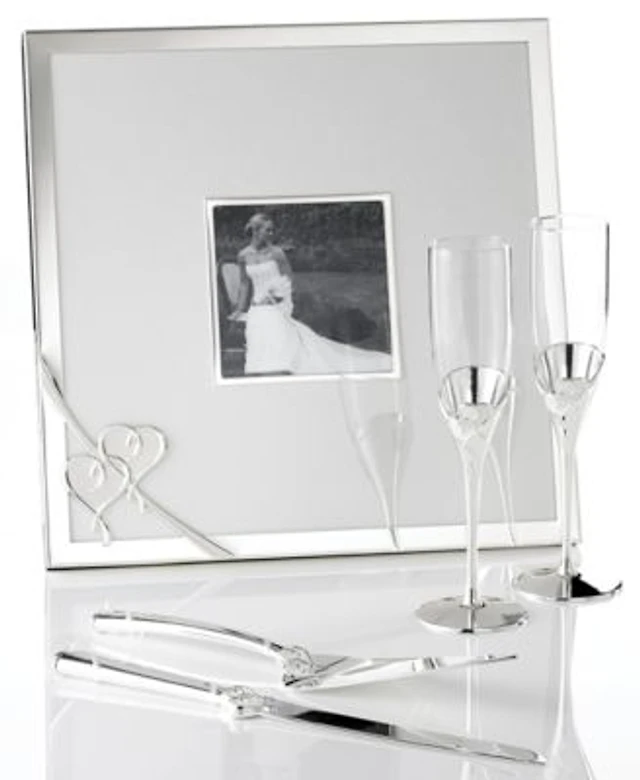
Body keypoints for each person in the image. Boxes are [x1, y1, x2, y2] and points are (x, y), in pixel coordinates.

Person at [229, 212, 392, 377]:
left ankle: (282, 365)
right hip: (256, 306)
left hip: (278, 303)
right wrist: (239, 309)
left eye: (272, 230)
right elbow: (244, 284)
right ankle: (264, 368)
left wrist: (277, 295)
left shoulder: (277, 253)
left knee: (272, 322)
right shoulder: (243, 255)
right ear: (256, 231)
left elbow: (288, 279)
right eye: (268, 230)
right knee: (258, 325)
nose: (272, 234)